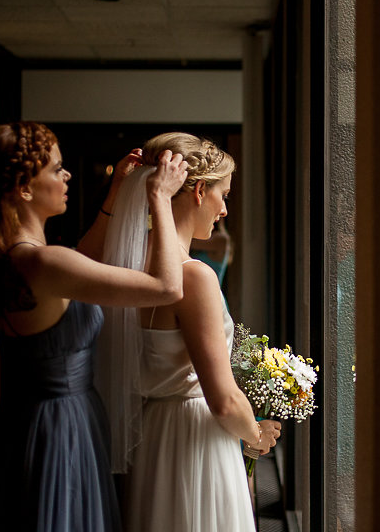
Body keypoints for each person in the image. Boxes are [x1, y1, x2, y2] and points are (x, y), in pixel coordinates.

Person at [0, 121, 189, 531]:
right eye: (56, 168)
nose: (67, 176)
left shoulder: (23, 258)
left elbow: (82, 261)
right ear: (24, 187)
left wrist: (116, 192)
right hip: (61, 422)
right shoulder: (45, 262)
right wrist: (160, 197)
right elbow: (167, 286)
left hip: (26, 418)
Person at [98, 132, 281, 532]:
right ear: (199, 191)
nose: (225, 210)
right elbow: (224, 401)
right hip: (197, 444)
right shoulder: (194, 276)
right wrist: (255, 437)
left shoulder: (122, 264)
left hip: (153, 441)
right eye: (224, 195)